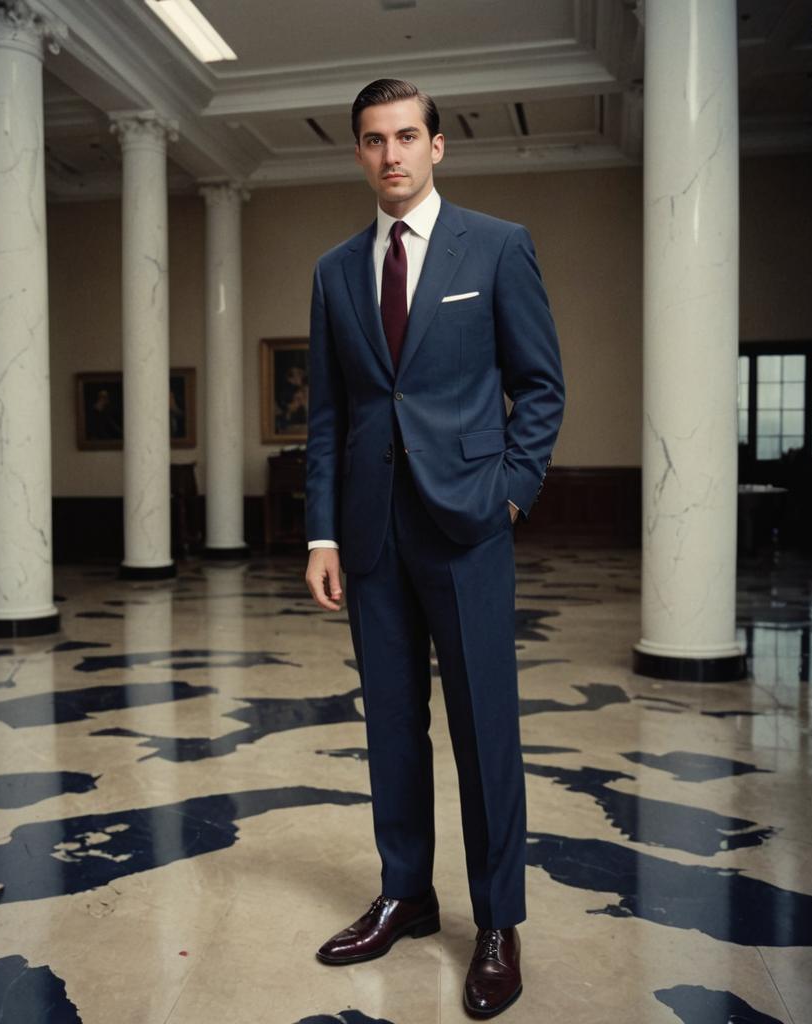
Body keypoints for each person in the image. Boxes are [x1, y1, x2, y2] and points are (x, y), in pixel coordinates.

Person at [304, 79, 565, 1019]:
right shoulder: (336, 270)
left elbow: (541, 383)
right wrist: (323, 531)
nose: (392, 156)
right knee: (390, 729)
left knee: (484, 729)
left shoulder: (495, 246)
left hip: (467, 526)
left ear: (438, 146)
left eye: (407, 136)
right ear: (359, 153)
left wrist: (512, 492)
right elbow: (330, 415)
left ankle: (499, 921)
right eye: (374, 140)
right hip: (372, 534)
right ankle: (407, 893)